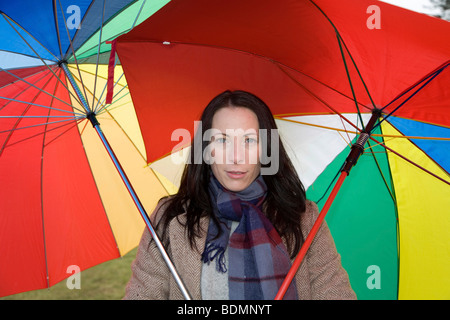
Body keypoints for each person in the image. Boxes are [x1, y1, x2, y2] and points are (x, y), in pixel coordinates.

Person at [124, 90, 356, 300]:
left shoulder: (304, 219)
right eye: (222, 140)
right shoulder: (170, 219)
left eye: (249, 140)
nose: (236, 156)